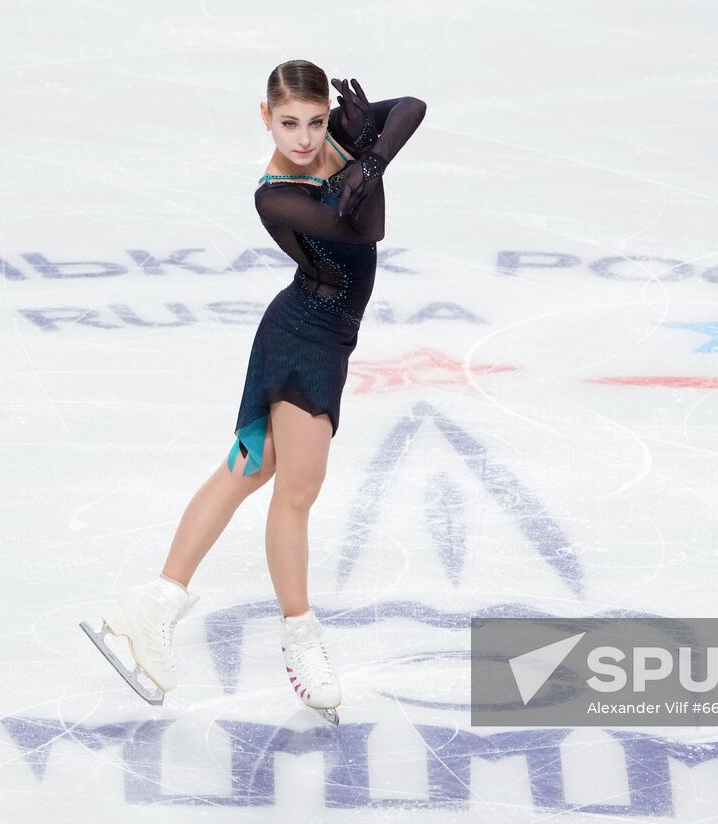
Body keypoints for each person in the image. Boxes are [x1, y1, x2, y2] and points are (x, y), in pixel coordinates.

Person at [81, 59, 426, 723]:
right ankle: (301, 638)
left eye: (316, 121)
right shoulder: (275, 196)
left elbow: (410, 105)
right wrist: (369, 156)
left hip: (321, 333)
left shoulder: (338, 143)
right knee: (297, 491)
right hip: (305, 338)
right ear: (264, 117)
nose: (303, 138)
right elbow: (365, 227)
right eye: (289, 123)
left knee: (250, 467)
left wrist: (368, 145)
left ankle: (151, 603)